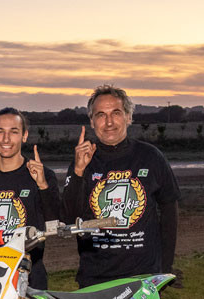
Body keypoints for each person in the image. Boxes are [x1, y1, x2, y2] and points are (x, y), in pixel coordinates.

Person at [61, 85, 180, 288]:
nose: (109, 122)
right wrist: (79, 171)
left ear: (128, 117)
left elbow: (170, 212)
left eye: (116, 113)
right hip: (95, 278)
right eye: (101, 115)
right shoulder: (83, 161)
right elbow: (68, 219)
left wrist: (164, 268)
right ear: (92, 121)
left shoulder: (151, 157)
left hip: (143, 277)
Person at [0, 107, 60, 289]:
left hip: (31, 276)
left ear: (24, 136)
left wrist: (42, 185)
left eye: (14, 132)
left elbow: (55, 220)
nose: (6, 139)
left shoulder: (42, 174)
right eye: (0, 132)